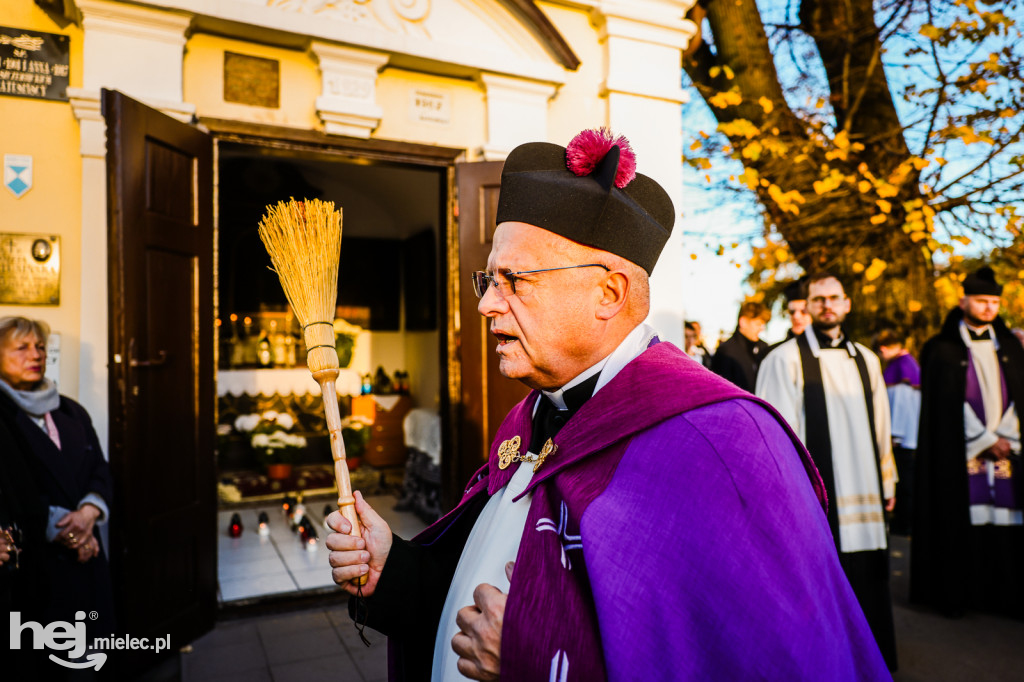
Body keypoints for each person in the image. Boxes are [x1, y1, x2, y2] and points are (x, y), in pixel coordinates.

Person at [326, 129, 889, 681]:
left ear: (609, 294)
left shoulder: (723, 442)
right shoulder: (528, 418)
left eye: (513, 280)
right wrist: (395, 574)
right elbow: (477, 599)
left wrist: (538, 662)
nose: (488, 305)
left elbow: (767, 662)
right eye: (488, 280)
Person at [755, 273, 899, 670]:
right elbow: (775, 436)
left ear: (847, 304)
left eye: (834, 298)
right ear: (807, 306)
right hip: (816, 494)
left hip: (867, 491)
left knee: (867, 576)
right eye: (818, 300)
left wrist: (888, 479)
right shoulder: (783, 359)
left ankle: (875, 659)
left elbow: (882, 426)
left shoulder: (867, 360)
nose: (827, 306)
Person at [911, 266, 1024, 619]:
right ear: (963, 301)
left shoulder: (1012, 346)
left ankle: (1007, 597)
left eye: (994, 302)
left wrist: (1005, 436)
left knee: (1005, 525)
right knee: (965, 524)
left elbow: (1020, 396)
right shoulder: (940, 348)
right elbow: (944, 404)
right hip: (961, 452)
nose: (989, 308)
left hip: (1008, 447)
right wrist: (984, 439)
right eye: (981, 301)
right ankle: (961, 596)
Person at [0, 317, 115, 658]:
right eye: (21, 348)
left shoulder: (71, 411)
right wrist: (69, 529)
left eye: (39, 347)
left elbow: (99, 468)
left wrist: (90, 511)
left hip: (86, 551)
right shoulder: (2, 417)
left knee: (92, 653)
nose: (35, 355)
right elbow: (12, 491)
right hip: (38, 567)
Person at [876, 329, 921, 536]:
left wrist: (895, 434)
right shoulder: (906, 363)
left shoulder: (902, 366)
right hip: (905, 436)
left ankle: (904, 524)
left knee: (904, 482)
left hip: (902, 439)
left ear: (884, 348)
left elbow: (902, 405)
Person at [710, 301, 771, 391]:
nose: (762, 328)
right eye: (758, 324)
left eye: (763, 325)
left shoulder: (764, 347)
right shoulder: (726, 351)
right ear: (743, 322)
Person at [770, 278, 811, 351]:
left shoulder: (831, 349)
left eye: (803, 311)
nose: (796, 316)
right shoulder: (775, 351)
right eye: (792, 312)